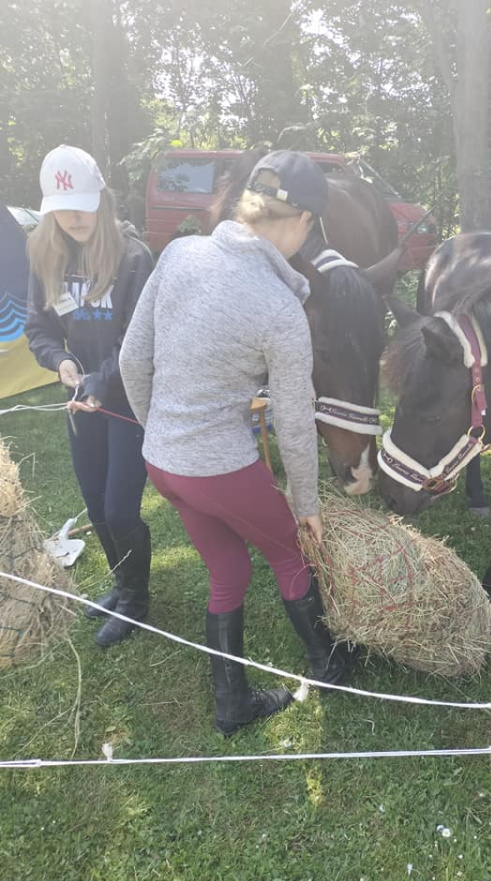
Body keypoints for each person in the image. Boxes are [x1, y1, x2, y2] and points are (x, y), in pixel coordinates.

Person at [119, 150, 350, 737]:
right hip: (217, 467)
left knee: (228, 571)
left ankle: (233, 706)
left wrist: (160, 430)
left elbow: (131, 359)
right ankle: (332, 669)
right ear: (304, 220)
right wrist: (307, 505)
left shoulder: (179, 252)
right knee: (290, 553)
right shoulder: (280, 308)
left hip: (161, 462)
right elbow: (293, 422)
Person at [25, 145, 155, 647]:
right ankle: (123, 586)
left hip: (126, 403)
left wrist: (100, 381)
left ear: (101, 199)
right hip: (83, 403)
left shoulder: (133, 257)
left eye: (81, 204)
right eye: (62, 209)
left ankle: (137, 602)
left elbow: (138, 341)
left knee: (120, 508)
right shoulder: (48, 255)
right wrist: (59, 360)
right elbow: (39, 327)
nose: (73, 217)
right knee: (96, 506)